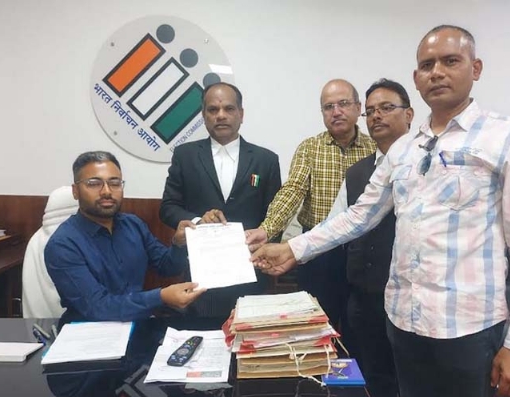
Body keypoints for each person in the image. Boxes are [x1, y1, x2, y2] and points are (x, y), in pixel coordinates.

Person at [251, 25, 510, 397]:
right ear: (416, 77)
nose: (437, 72)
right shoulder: (405, 149)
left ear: (476, 68)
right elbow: (359, 215)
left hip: (467, 330)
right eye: (427, 65)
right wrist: (294, 248)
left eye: (451, 61)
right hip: (403, 323)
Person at [247, 79, 376, 329]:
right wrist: (267, 228)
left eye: (343, 103)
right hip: (318, 252)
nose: (336, 112)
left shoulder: (374, 148)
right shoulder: (310, 148)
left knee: (360, 324)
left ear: (358, 107)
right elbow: (293, 190)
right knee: (317, 324)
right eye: (328, 107)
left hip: (362, 252)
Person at [160, 82, 281, 327]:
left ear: (241, 114)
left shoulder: (266, 159)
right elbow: (168, 207)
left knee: (249, 342)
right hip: (202, 280)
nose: (221, 115)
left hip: (251, 275)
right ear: (204, 116)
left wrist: (264, 249)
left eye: (229, 108)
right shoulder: (185, 155)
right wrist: (198, 222)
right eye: (213, 110)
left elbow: (276, 215)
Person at [327, 79, 413, 397]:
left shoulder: (427, 166)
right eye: (371, 111)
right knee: (370, 381)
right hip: (363, 298)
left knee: (413, 384)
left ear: (409, 114)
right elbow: (337, 225)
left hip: (410, 300)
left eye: (387, 108)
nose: (377, 116)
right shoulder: (357, 173)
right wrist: (288, 250)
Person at [45, 151, 205, 323]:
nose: (106, 191)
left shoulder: (133, 225)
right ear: (75, 191)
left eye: (114, 183)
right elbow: (97, 307)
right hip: (89, 330)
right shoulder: (62, 244)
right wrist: (160, 297)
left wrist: (178, 244)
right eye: (94, 184)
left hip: (137, 324)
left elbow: (166, 267)